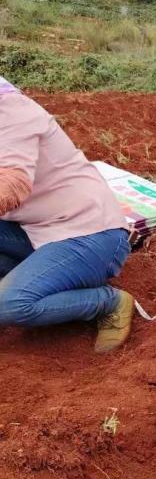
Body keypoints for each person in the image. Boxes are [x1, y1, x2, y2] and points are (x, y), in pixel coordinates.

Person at [0, 76, 135, 352]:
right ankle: (35, 278)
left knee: (10, 305)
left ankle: (108, 302)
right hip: (36, 229)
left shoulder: (11, 111)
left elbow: (12, 185)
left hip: (90, 233)